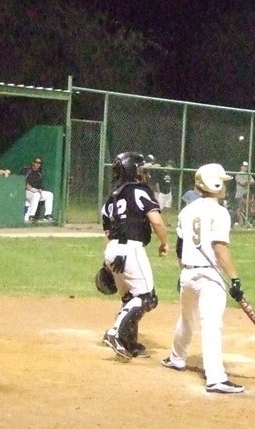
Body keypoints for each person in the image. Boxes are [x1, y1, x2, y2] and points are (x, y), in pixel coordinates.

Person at [162, 163, 246, 394]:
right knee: (211, 324)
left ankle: (176, 358)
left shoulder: (186, 210)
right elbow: (220, 248)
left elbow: (180, 248)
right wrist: (235, 279)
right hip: (210, 276)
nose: (225, 187)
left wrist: (182, 272)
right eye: (222, 182)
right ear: (214, 184)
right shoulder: (219, 212)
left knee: (186, 318)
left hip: (187, 273)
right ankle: (216, 378)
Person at [100, 151, 169, 361]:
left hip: (113, 250)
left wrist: (107, 262)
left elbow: (107, 232)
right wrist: (164, 242)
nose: (142, 172)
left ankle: (130, 344)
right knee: (147, 298)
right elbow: (156, 221)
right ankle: (115, 333)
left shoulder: (112, 197)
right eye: (139, 168)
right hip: (131, 249)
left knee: (129, 297)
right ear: (131, 170)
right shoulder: (139, 191)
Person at [23, 156, 55, 222]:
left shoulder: (39, 174)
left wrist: (40, 190)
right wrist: (29, 187)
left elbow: (40, 186)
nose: (38, 164)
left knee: (49, 194)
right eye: (36, 162)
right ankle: (31, 216)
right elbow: (23, 183)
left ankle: (47, 215)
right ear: (33, 163)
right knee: (36, 194)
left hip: (35, 191)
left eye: (39, 163)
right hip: (26, 192)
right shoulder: (26, 170)